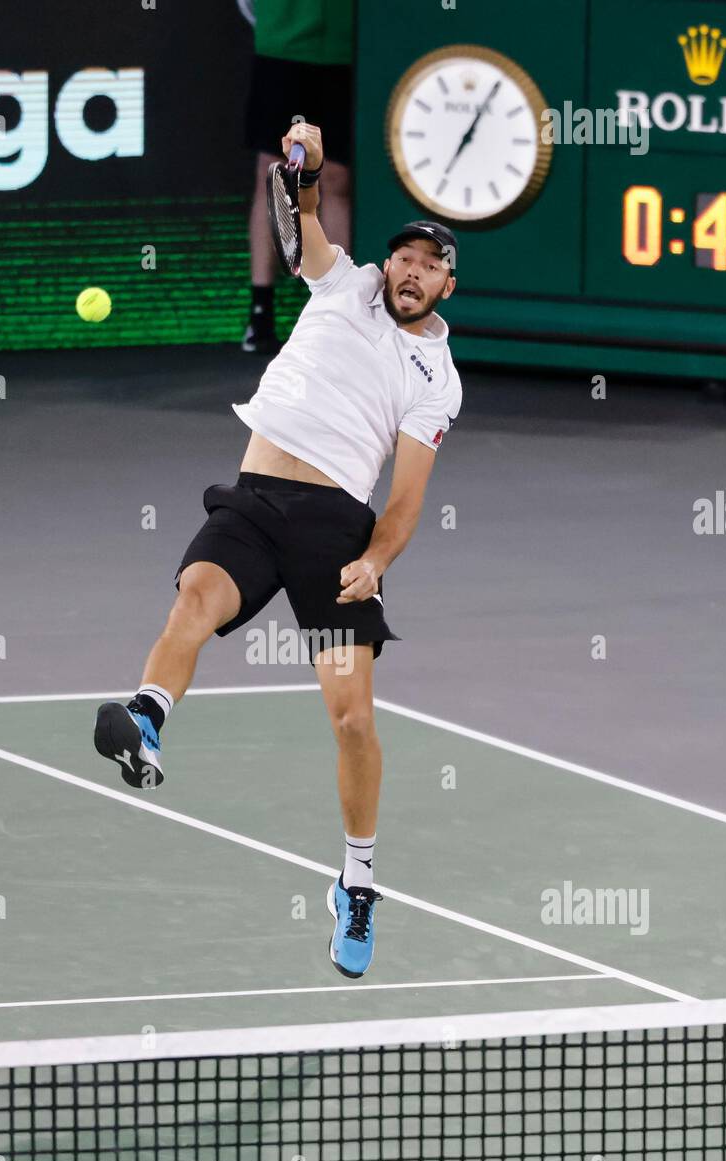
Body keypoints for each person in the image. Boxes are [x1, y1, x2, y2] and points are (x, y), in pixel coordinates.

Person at [95, 120, 462, 980]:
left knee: (353, 718)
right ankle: (148, 718)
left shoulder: (436, 379)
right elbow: (302, 227)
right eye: (404, 255)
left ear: (449, 281)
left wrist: (377, 560)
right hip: (255, 499)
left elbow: (405, 498)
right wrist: (303, 166)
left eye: (428, 263)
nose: (409, 270)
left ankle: (358, 883)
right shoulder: (345, 284)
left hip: (335, 532)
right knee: (195, 595)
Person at [239, 0, 354, 354]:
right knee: (273, 172)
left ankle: (338, 313)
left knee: (335, 178)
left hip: (347, 45)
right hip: (282, 44)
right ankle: (261, 312)